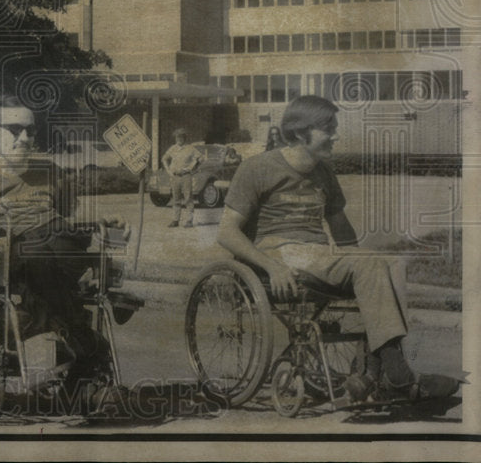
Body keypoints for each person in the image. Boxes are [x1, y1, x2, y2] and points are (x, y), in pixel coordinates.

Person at [217, 95, 459, 402]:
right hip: (278, 253)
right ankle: (395, 377)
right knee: (370, 264)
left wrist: (361, 269)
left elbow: (343, 232)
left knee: (392, 262)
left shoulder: (324, 173)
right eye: (328, 128)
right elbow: (227, 232)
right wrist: (271, 266)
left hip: (316, 256)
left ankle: (375, 373)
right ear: (300, 132)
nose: (336, 135)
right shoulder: (258, 169)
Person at [0, 95, 111, 410]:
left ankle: (75, 367)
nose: (25, 138)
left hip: (50, 256)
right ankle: (83, 343)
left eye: (30, 130)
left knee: (73, 243)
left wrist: (99, 223)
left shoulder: (51, 173)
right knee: (41, 245)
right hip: (6, 262)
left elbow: (65, 225)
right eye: (14, 129)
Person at [162, 128, 203, 228]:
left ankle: (189, 220)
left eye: (181, 136)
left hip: (186, 176)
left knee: (188, 198)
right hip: (175, 176)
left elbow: (201, 158)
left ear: (185, 137)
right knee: (176, 199)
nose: (179, 138)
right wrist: (168, 171)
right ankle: (175, 220)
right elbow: (164, 159)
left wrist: (192, 167)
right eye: (177, 137)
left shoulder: (190, 148)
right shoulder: (173, 148)